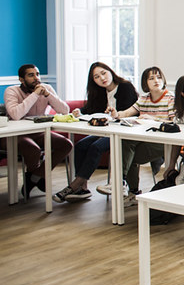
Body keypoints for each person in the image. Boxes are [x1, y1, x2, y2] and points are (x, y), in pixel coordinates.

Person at [52, 62, 137, 202]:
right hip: (106, 130)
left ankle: (75, 185)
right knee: (80, 146)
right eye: (97, 77)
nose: (102, 78)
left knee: (96, 147)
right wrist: (80, 111)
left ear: (110, 71)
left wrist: (116, 114)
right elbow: (91, 108)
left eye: (103, 73)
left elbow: (129, 112)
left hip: (122, 131)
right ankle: (82, 188)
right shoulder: (100, 91)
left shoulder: (125, 87)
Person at [96, 66, 175, 206]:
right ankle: (128, 189)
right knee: (126, 145)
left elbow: (173, 122)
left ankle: (124, 186)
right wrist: (115, 114)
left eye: (158, 77)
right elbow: (127, 113)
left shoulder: (170, 98)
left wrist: (151, 119)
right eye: (151, 78)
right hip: (145, 138)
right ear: (145, 83)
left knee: (128, 153)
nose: (156, 80)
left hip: (162, 141)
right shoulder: (144, 98)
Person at [3, 64, 73, 198]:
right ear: (21, 79)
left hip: (39, 132)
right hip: (15, 135)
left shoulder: (46, 88)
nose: (36, 78)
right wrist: (35, 94)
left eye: (38, 74)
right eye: (31, 75)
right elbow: (16, 115)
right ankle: (38, 177)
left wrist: (48, 94)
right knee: (33, 148)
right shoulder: (11, 91)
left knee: (66, 144)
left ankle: (34, 177)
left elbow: (65, 111)